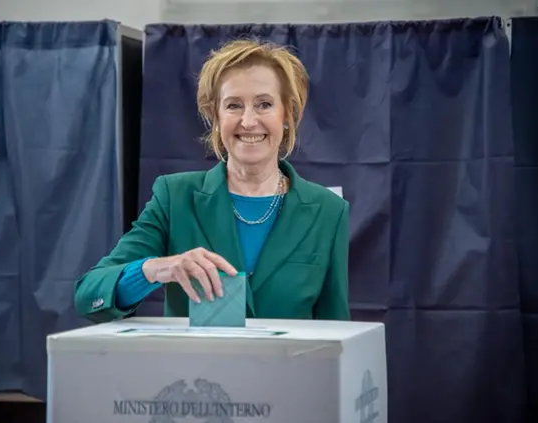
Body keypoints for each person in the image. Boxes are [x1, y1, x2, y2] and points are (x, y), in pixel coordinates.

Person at [74, 39, 351, 324]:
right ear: (214, 116)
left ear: (287, 115)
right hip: (195, 369)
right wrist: (155, 269)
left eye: (264, 104)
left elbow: (337, 329)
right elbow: (89, 294)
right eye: (233, 105)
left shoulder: (329, 211)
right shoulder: (175, 197)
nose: (248, 121)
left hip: (291, 368)